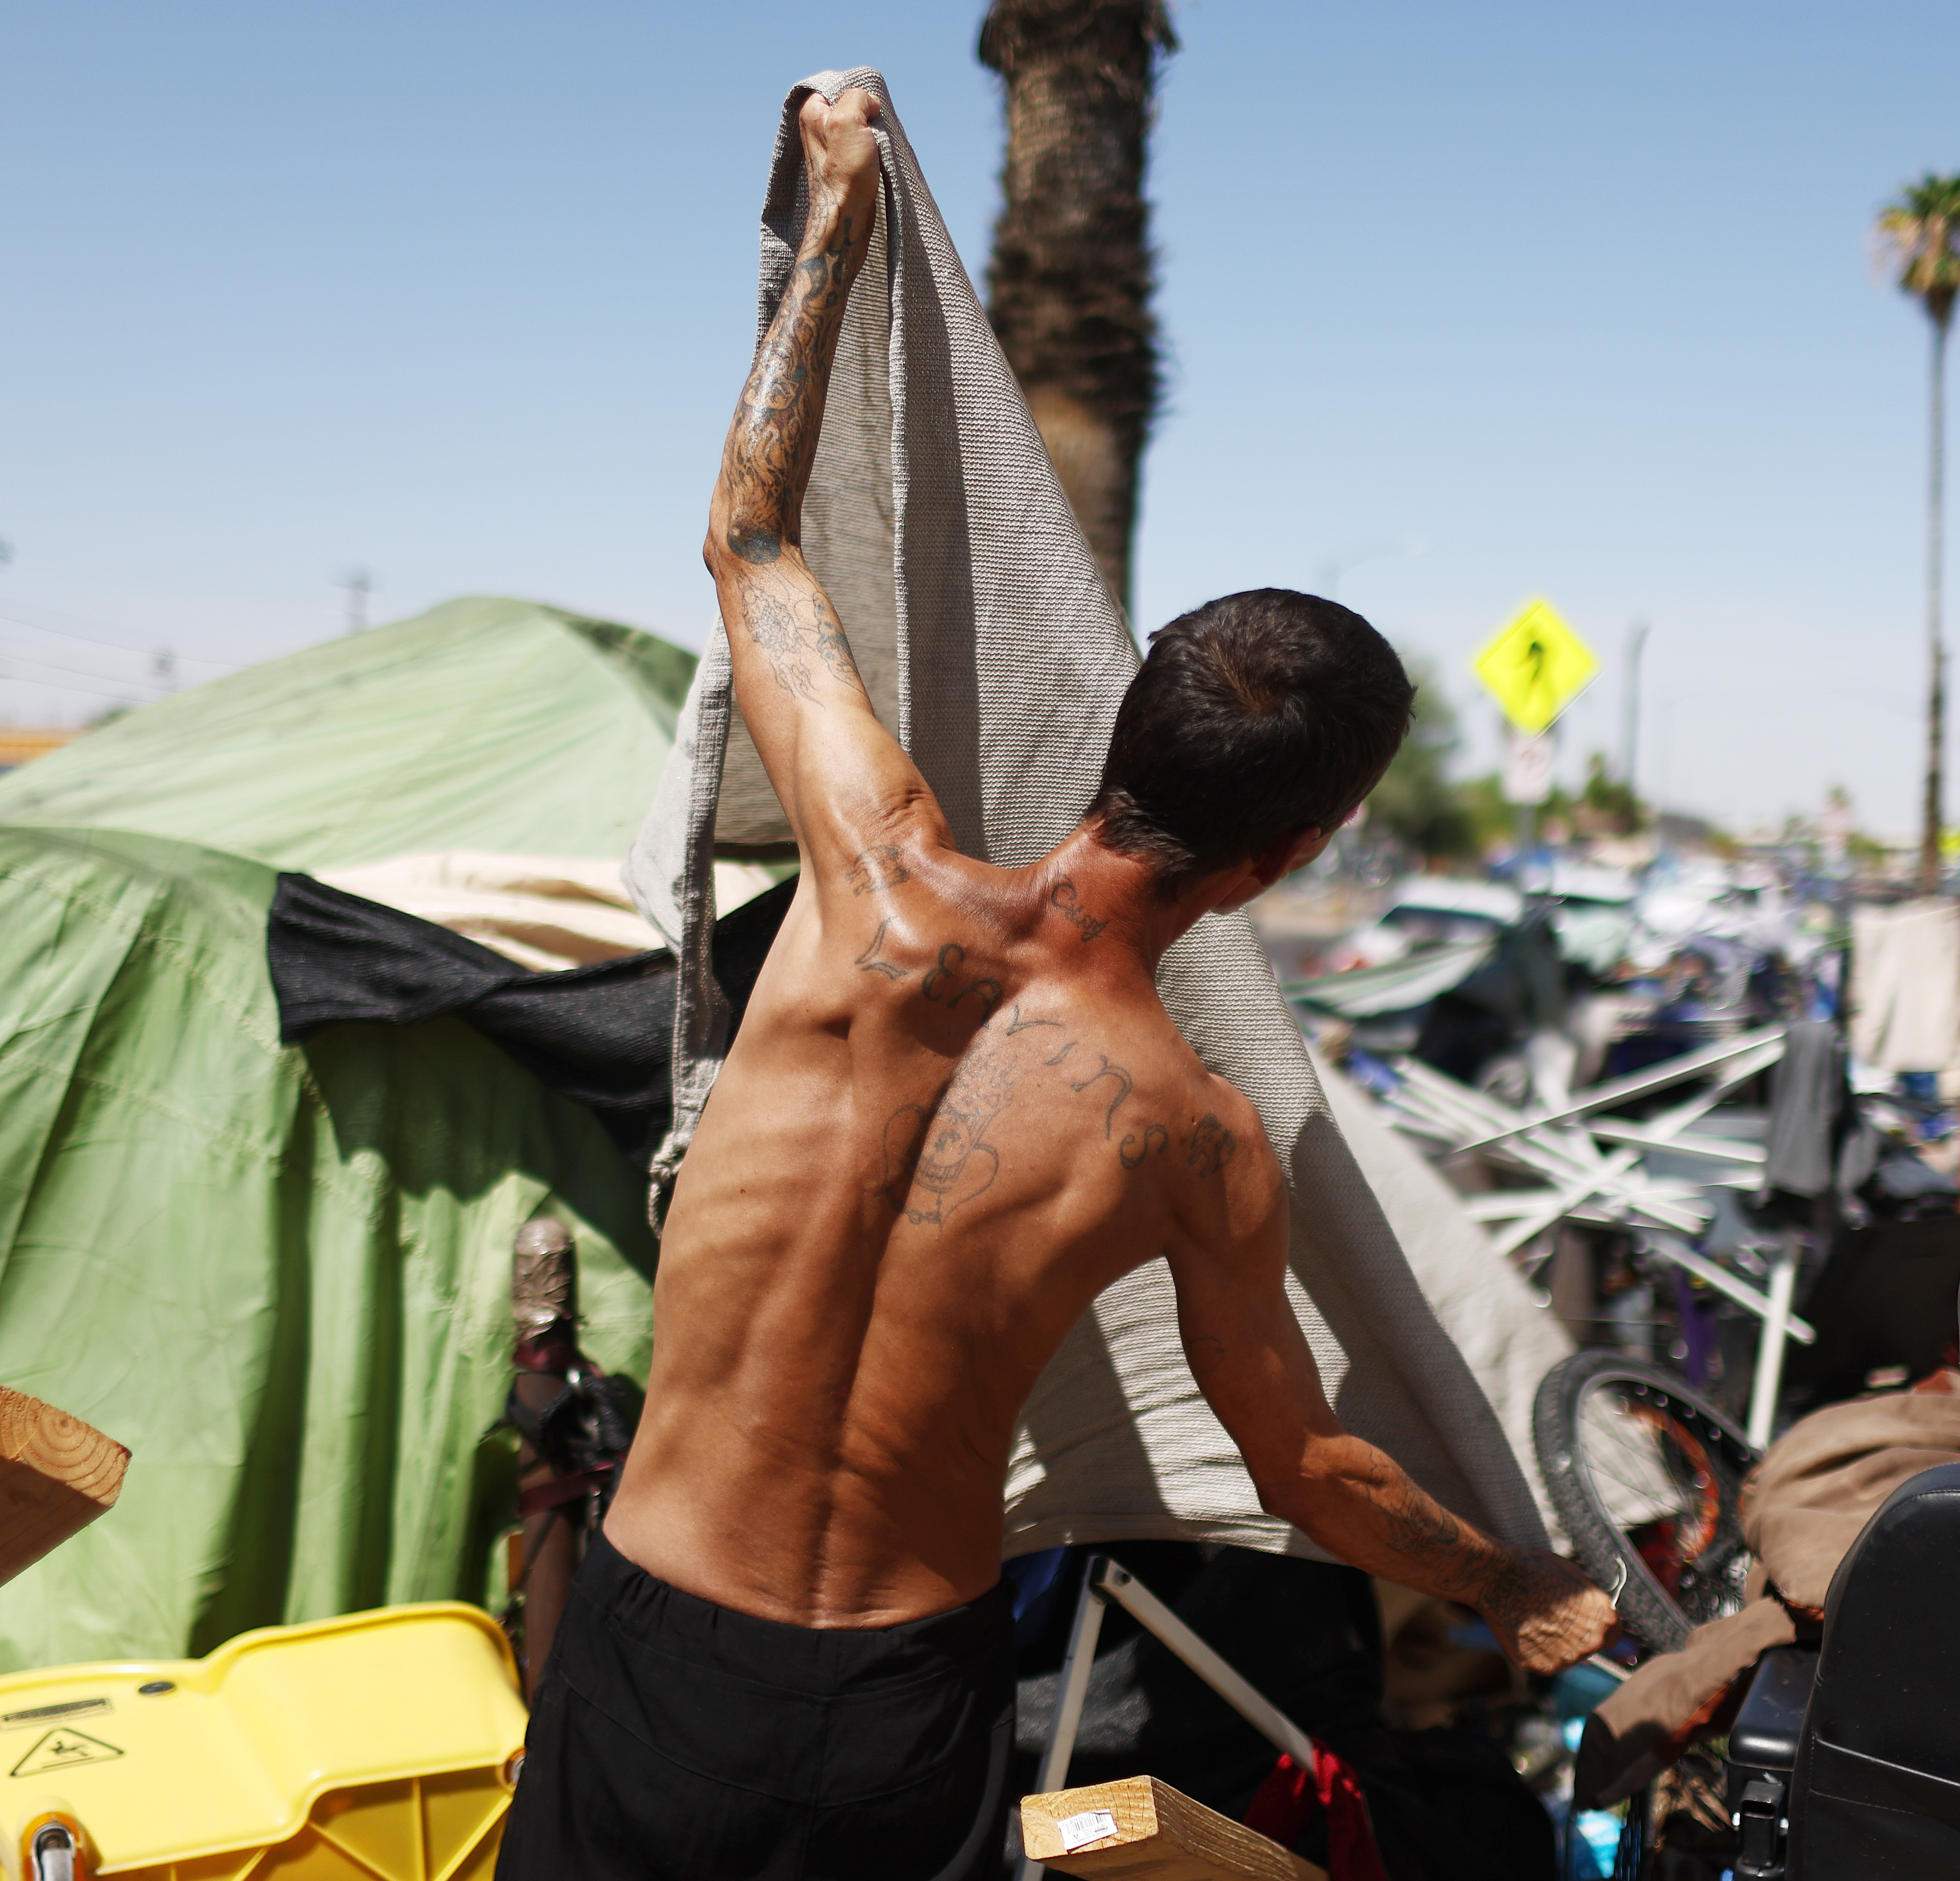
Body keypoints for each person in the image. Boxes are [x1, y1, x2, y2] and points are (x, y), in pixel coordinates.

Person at [498, 88, 1617, 1881]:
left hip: (657, 1642)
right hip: (890, 1695)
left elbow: (748, 541)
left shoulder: (868, 865)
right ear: (1296, 851)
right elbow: (1303, 1472)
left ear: (1116, 731)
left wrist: (839, 227)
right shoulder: (1196, 1140)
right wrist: (1519, 1582)